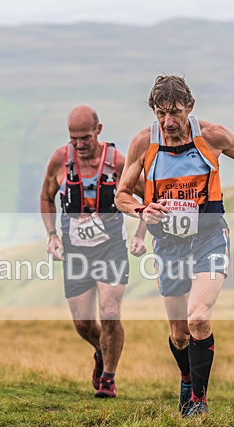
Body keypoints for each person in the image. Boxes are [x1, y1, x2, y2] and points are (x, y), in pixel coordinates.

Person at [115, 75, 234, 417]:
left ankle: (198, 401)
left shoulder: (213, 136)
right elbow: (121, 194)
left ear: (190, 108)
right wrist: (141, 208)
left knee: (198, 319)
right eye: (160, 113)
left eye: (176, 113)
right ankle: (186, 377)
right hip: (168, 246)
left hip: (209, 237)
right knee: (180, 334)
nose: (168, 122)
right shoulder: (144, 142)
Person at [40, 105, 147, 399]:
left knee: (110, 313)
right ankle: (102, 350)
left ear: (98, 131)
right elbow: (47, 197)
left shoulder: (117, 162)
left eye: (85, 138)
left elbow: (146, 196)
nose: (79, 145)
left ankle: (108, 379)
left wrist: (140, 234)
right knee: (83, 324)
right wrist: (51, 236)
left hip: (110, 248)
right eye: (73, 139)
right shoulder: (60, 160)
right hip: (75, 250)